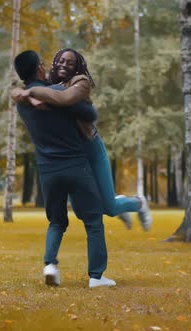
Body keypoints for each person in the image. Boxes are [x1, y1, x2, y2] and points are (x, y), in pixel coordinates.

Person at [12, 48, 152, 231]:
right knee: (81, 211)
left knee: (109, 208)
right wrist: (23, 93)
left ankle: (138, 203)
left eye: (68, 63)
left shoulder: (74, 83)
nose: (61, 66)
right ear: (40, 67)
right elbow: (16, 91)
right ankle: (119, 204)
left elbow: (64, 98)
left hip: (90, 146)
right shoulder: (40, 89)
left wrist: (31, 93)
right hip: (69, 156)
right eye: (59, 62)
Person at [13, 50, 116, 288]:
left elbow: (24, 93)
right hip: (75, 165)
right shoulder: (59, 93)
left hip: (47, 171)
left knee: (57, 222)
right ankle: (97, 276)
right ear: (40, 67)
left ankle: (50, 265)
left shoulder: (21, 103)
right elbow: (89, 114)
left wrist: (25, 92)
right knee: (93, 221)